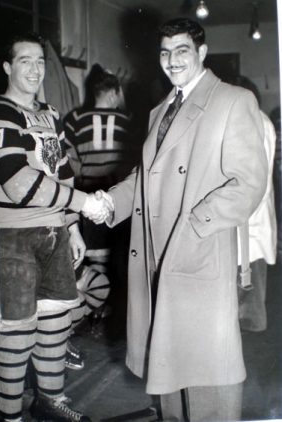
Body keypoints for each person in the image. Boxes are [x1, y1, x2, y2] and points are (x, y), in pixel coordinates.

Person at [91, 18, 268, 422]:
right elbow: (145, 177)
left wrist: (194, 225)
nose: (172, 61)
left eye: (182, 51)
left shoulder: (231, 100)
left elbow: (249, 183)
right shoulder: (160, 110)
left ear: (202, 53)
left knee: (207, 377)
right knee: (171, 376)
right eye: (165, 52)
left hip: (199, 253)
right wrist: (108, 203)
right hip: (158, 255)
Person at [0, 32, 109, 422]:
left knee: (54, 330)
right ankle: (10, 417)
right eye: (24, 61)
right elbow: (18, 183)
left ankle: (50, 402)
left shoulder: (50, 116)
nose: (35, 69)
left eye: (39, 61)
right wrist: (86, 205)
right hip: (9, 240)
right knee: (16, 338)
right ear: (7, 67)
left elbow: (64, 172)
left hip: (54, 236)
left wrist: (73, 227)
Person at [63, 66, 132, 368]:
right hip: (116, 202)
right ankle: (110, 324)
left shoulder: (75, 119)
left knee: (87, 264)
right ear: (115, 91)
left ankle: (87, 321)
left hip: (86, 201)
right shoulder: (127, 121)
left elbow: (69, 165)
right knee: (115, 265)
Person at [231, 76, 277, 332]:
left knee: (244, 302)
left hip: (246, 222)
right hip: (254, 221)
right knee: (252, 297)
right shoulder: (264, 121)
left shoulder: (248, 122)